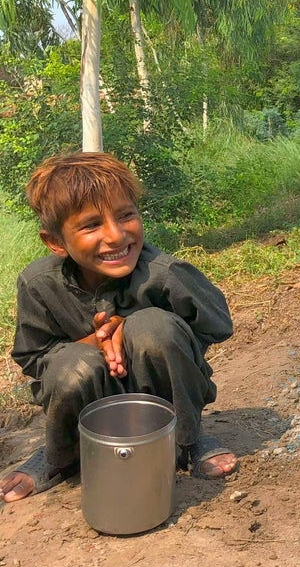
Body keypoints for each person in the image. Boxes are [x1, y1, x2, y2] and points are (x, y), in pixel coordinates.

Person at [0, 152, 236, 505]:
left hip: (163, 399)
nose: (115, 235)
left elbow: (217, 323)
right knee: (72, 363)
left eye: (126, 215)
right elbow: (33, 358)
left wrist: (144, 331)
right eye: (91, 225)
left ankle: (187, 439)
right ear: (55, 242)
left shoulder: (165, 272)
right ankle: (60, 456)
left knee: (154, 327)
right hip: (88, 404)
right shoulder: (38, 284)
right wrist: (94, 343)